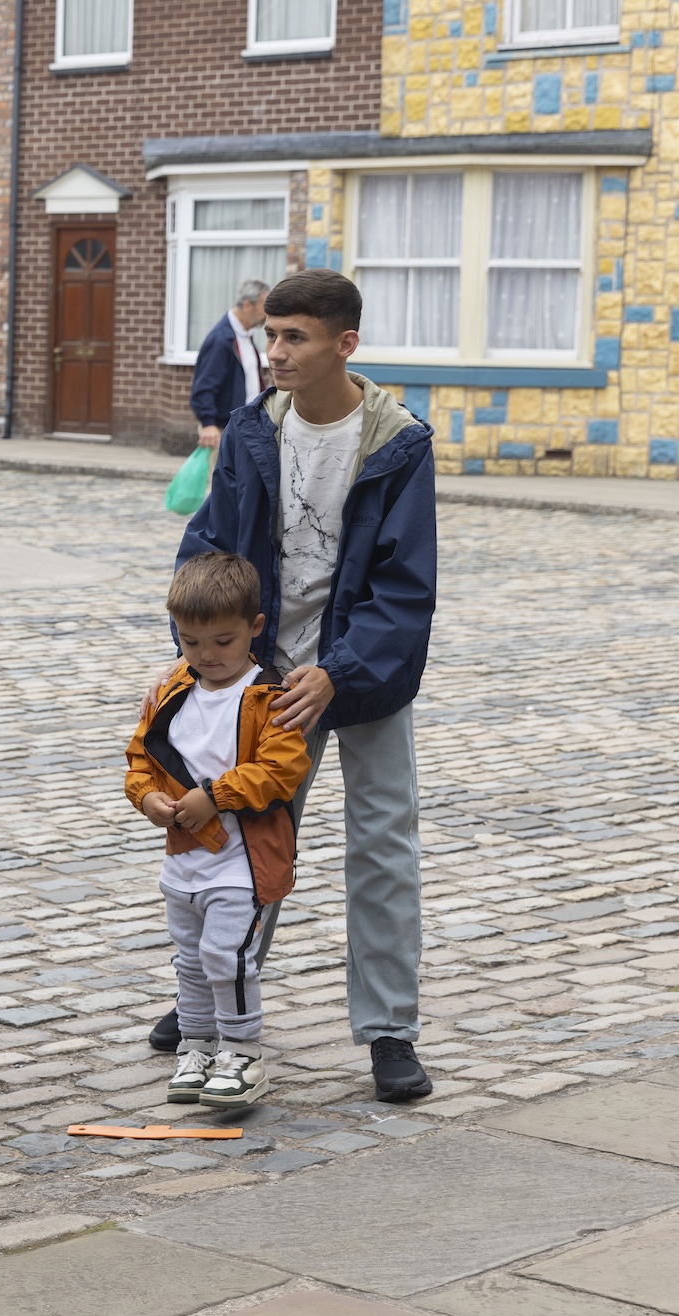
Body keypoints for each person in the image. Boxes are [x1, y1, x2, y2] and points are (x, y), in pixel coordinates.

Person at [154, 268, 438, 1104]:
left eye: (294, 337)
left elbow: (405, 589)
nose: (274, 351)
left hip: (364, 676)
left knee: (383, 845)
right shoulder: (250, 432)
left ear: (344, 344)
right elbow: (209, 550)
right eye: (270, 335)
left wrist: (338, 672)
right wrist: (214, 657)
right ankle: (211, 1000)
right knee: (248, 840)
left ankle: (389, 1028)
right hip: (268, 676)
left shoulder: (398, 443)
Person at [127, 552, 312, 1108]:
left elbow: (281, 770)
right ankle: (197, 1044)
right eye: (190, 643)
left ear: (254, 629)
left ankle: (242, 1051)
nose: (206, 656)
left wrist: (215, 796)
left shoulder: (269, 697)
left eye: (222, 642)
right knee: (187, 958)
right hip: (183, 862)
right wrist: (148, 797)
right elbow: (141, 756)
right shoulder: (172, 691)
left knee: (225, 955)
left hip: (243, 861)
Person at [191, 279, 270, 453]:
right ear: (247, 305)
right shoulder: (221, 340)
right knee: (217, 480)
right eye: (264, 307)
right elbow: (204, 386)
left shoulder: (243, 336)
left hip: (243, 426)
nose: (267, 314)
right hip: (220, 431)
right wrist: (208, 424)